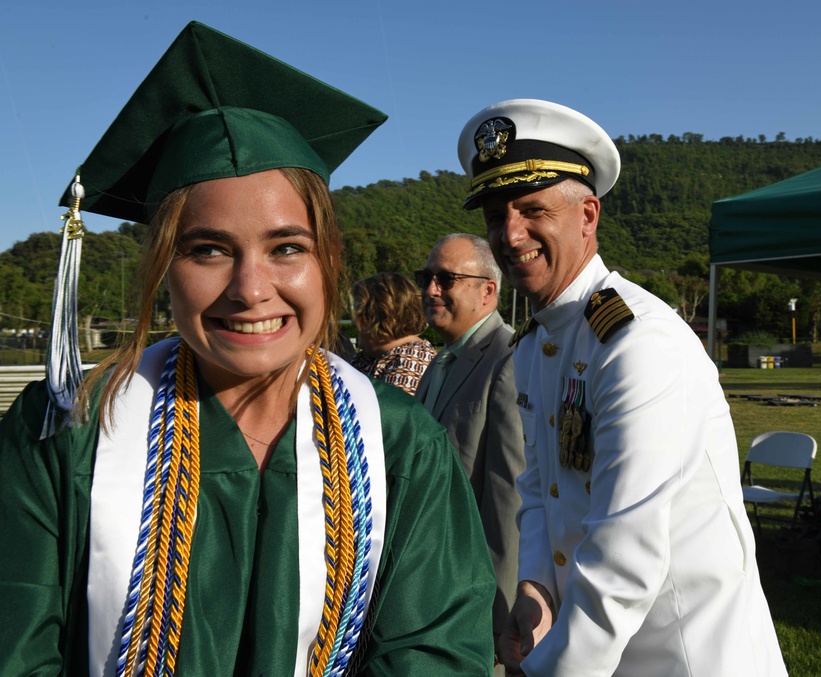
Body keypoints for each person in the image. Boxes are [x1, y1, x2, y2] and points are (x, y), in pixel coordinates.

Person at [0, 22, 495, 675]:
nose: (250, 288)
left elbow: (436, 654)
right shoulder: (64, 432)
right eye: (208, 249)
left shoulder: (401, 445)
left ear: (326, 262)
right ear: (162, 268)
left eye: (286, 247)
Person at [457, 99, 786, 675]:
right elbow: (539, 488)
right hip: (600, 649)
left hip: (687, 656)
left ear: (588, 215)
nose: (509, 235)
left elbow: (624, 562)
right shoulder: (539, 344)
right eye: (494, 215)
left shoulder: (637, 343)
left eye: (532, 209)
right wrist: (535, 589)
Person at [414, 233, 525, 672]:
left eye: (446, 279)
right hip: (433, 589)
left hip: (476, 604)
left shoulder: (507, 358)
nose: (431, 290)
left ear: (488, 291)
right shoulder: (441, 361)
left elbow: (508, 499)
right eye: (426, 278)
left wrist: (500, 619)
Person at [350, 272, 436, 395]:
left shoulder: (410, 363)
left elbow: (391, 412)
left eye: (360, 309)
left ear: (381, 314)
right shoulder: (368, 357)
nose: (354, 322)